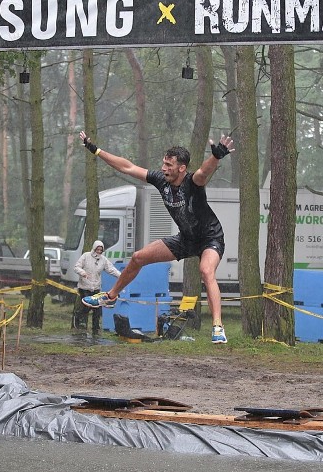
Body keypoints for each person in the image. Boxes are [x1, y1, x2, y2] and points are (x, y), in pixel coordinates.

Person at [78, 129, 234, 344]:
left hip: (210, 238)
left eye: (169, 165)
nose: (163, 168)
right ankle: (110, 296)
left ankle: (217, 326)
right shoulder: (161, 181)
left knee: (206, 271)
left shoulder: (192, 183)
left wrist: (216, 156)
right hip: (186, 239)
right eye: (163, 164)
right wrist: (96, 150)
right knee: (138, 257)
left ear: (181, 168)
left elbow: (203, 173)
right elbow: (127, 166)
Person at [72, 240, 121, 336]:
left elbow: (111, 269)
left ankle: (96, 329)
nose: (98, 251)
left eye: (100, 250)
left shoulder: (103, 260)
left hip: (96, 288)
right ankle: (79, 321)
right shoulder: (86, 256)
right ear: (94, 248)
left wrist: (121, 276)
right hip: (84, 287)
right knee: (87, 307)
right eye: (97, 249)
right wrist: (82, 273)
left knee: (97, 309)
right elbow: (76, 267)